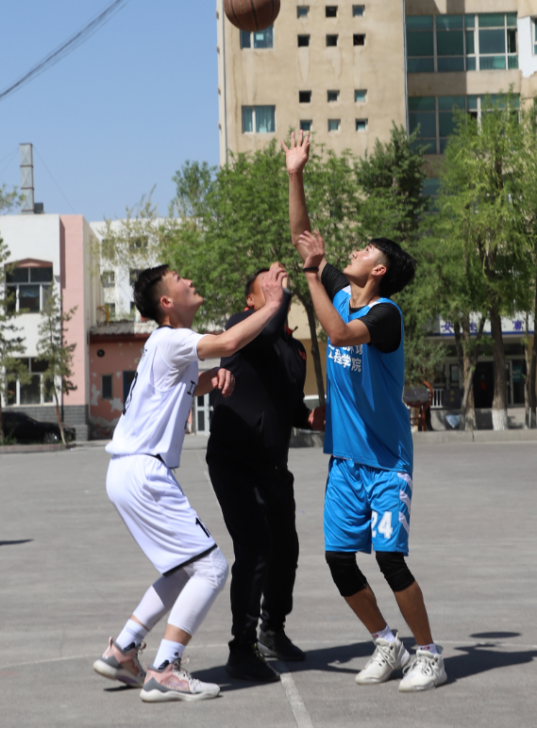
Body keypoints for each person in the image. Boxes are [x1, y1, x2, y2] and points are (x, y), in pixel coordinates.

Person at [283, 131, 447, 693]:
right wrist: (295, 174)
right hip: (345, 461)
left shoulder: (385, 314)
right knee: (338, 560)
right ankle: (386, 642)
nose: (355, 251)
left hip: (387, 463)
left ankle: (429, 653)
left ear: (378, 270)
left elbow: (336, 332)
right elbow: (304, 240)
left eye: (366, 250)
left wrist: (312, 274)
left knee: (390, 560)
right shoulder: (341, 291)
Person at [93, 263, 286, 703]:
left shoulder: (163, 346)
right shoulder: (173, 338)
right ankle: (165, 669)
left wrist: (207, 381)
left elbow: (173, 388)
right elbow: (229, 342)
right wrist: (273, 304)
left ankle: (123, 649)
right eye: (180, 280)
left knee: (183, 568)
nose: (190, 281)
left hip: (125, 471)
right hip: (145, 472)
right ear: (167, 302)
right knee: (212, 567)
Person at [207, 263, 324, 683]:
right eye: (269, 287)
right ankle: (241, 649)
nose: (279, 290)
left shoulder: (296, 350)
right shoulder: (240, 326)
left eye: (282, 285)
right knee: (255, 549)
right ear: (250, 300)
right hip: (235, 462)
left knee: (285, 551)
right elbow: (269, 327)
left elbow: (291, 408)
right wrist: (279, 299)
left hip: (274, 466)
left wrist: (312, 419)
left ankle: (273, 630)